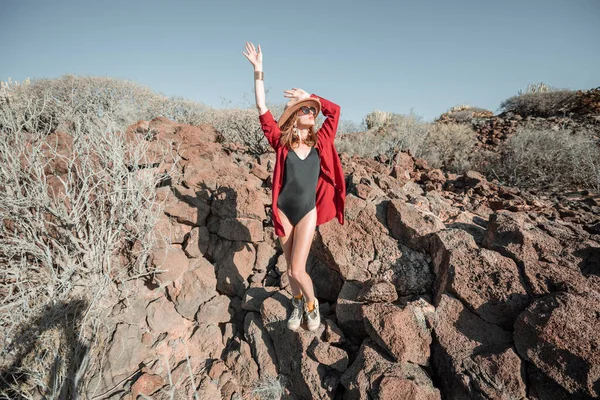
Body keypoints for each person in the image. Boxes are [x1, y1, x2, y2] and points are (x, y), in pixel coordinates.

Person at [242, 42, 346, 332]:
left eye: (313, 111)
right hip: (284, 209)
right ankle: (296, 302)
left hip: (307, 210)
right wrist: (258, 70)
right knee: (289, 269)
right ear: (293, 117)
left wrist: (311, 96)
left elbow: (335, 112)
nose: (312, 113)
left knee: (298, 268)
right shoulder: (281, 143)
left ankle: (311, 307)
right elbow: (262, 108)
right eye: (306, 110)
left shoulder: (321, 141)